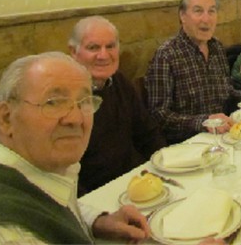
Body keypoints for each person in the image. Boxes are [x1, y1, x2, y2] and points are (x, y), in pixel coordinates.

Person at [0, 52, 151, 244]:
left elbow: (50, 205)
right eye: (53, 102)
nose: (75, 119)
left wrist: (97, 222)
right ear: (6, 118)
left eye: (84, 102)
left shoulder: (35, 170)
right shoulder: (8, 234)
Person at [145, 0, 241, 144]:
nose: (206, 19)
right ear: (183, 16)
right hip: (189, 144)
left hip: (223, 137)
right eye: (198, 11)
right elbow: (158, 115)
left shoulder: (216, 47)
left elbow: (225, 90)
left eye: (211, 11)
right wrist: (204, 122)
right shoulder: (166, 55)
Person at [68, 16, 167, 195]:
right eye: (93, 47)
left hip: (136, 181)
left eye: (110, 46)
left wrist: (166, 167)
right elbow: (63, 173)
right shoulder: (66, 97)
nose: (103, 55)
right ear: (73, 52)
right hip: (97, 195)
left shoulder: (119, 81)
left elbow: (148, 133)